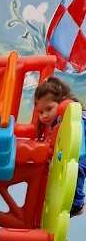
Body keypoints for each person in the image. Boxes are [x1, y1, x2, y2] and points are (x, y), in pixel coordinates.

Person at [34, 75, 86, 217]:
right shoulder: (58, 123)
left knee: (76, 167)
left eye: (49, 109)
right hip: (77, 151)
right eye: (40, 112)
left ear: (62, 102)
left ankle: (77, 203)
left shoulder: (76, 119)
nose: (44, 115)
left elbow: (79, 144)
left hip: (82, 152)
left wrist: (68, 154)